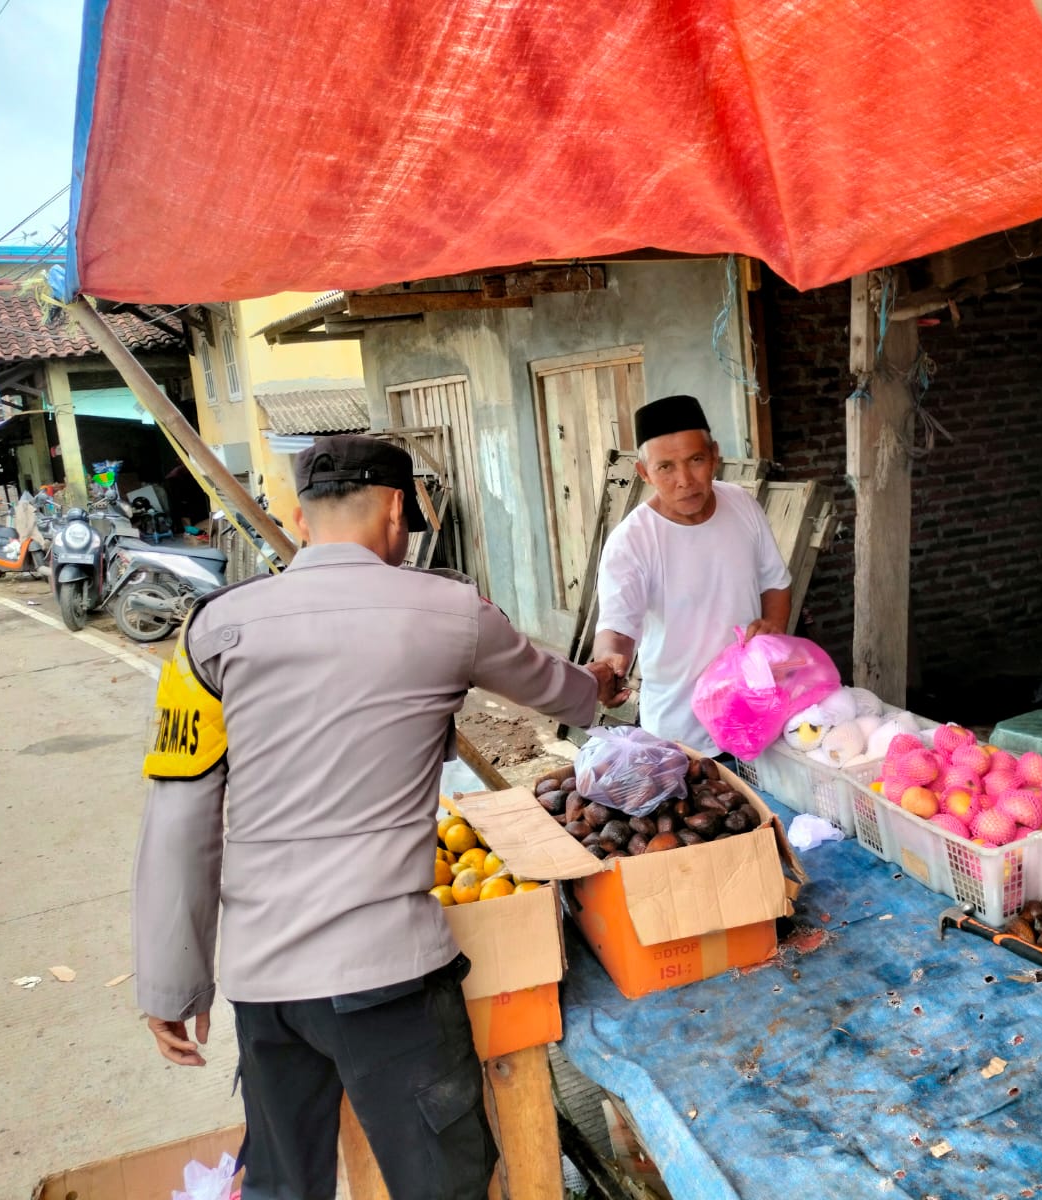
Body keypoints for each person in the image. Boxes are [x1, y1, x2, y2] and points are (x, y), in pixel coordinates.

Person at [133, 435, 621, 1200]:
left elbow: (178, 816)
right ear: (397, 511)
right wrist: (600, 684)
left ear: (301, 518)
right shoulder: (451, 612)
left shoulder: (210, 630)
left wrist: (171, 985)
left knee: (281, 1188)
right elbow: (564, 693)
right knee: (442, 1185)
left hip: (264, 987)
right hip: (390, 981)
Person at [592, 394, 793, 756]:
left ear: (714, 455)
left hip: (754, 715)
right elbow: (616, 629)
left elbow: (775, 582)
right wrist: (609, 662)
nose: (684, 480)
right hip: (680, 735)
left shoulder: (742, 505)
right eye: (665, 467)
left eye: (696, 460)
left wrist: (773, 626)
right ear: (644, 473)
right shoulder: (631, 542)